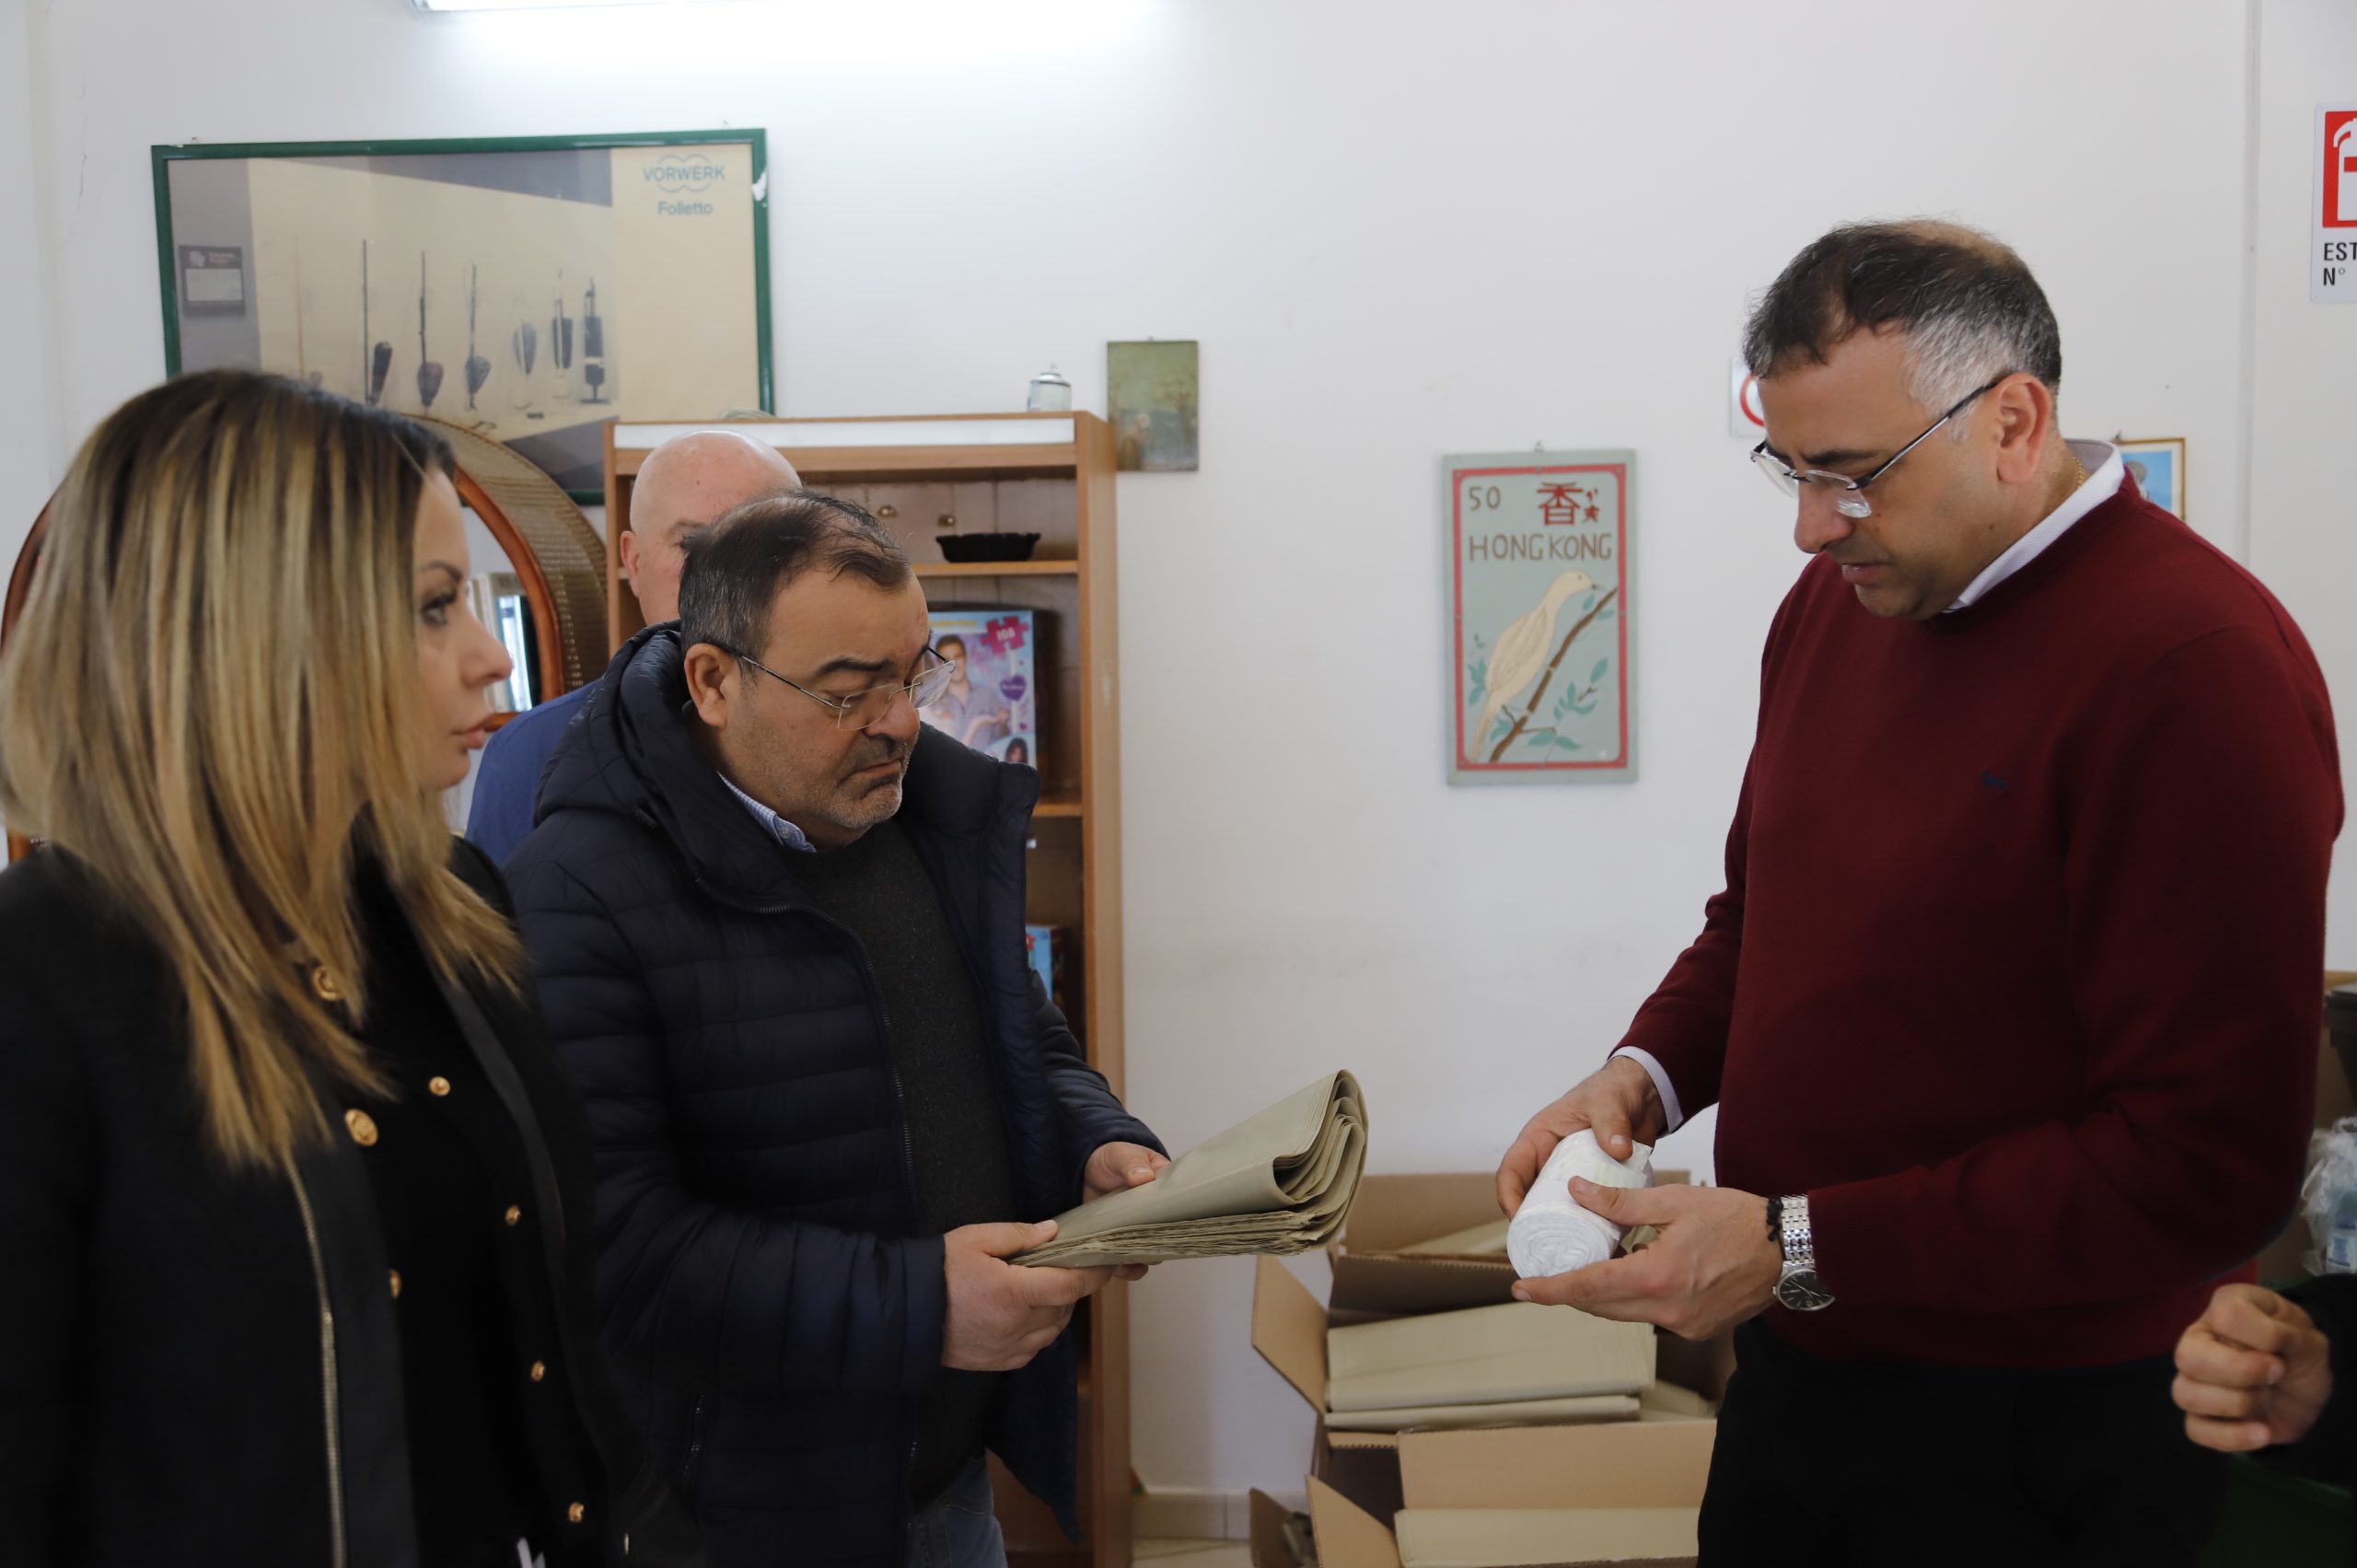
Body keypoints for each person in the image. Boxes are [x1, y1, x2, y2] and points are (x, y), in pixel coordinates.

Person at [1492, 221, 2341, 1565]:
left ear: (2013, 422)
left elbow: (2204, 1159)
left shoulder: (2194, 664)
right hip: (1807, 1368)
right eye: (1790, 469)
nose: (1810, 526)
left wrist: (1799, 1241)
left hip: (2053, 1424)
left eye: (1853, 474)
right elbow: (1760, 918)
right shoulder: (1840, 606)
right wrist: (1642, 1077)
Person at [0, 370, 701, 1567]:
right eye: (433, 605)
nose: (489, 658)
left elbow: (548, 1356)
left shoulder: (453, 905)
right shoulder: (43, 979)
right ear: (259, 632)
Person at [502, 490, 1167, 1568]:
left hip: (943, 1475)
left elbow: (1022, 1036)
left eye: (914, 674)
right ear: (713, 681)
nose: (900, 721)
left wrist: (1095, 1137)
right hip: (736, 1518)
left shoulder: (912, 811)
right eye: (850, 692)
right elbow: (618, 1251)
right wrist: (920, 1305)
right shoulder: (578, 891)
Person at [465, 428, 801, 862]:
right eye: (693, 544)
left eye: (764, 548)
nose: (725, 576)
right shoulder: (528, 753)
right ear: (634, 561)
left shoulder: (858, 731)